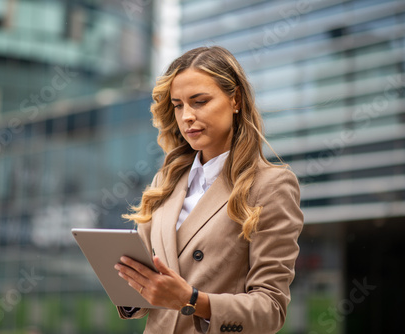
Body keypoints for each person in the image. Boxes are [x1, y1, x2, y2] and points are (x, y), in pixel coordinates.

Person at [113, 46, 303, 334]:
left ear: (235, 99)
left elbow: (270, 309)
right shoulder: (165, 182)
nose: (187, 116)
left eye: (199, 101)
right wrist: (130, 284)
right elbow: (150, 288)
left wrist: (192, 300)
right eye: (178, 105)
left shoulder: (271, 186)